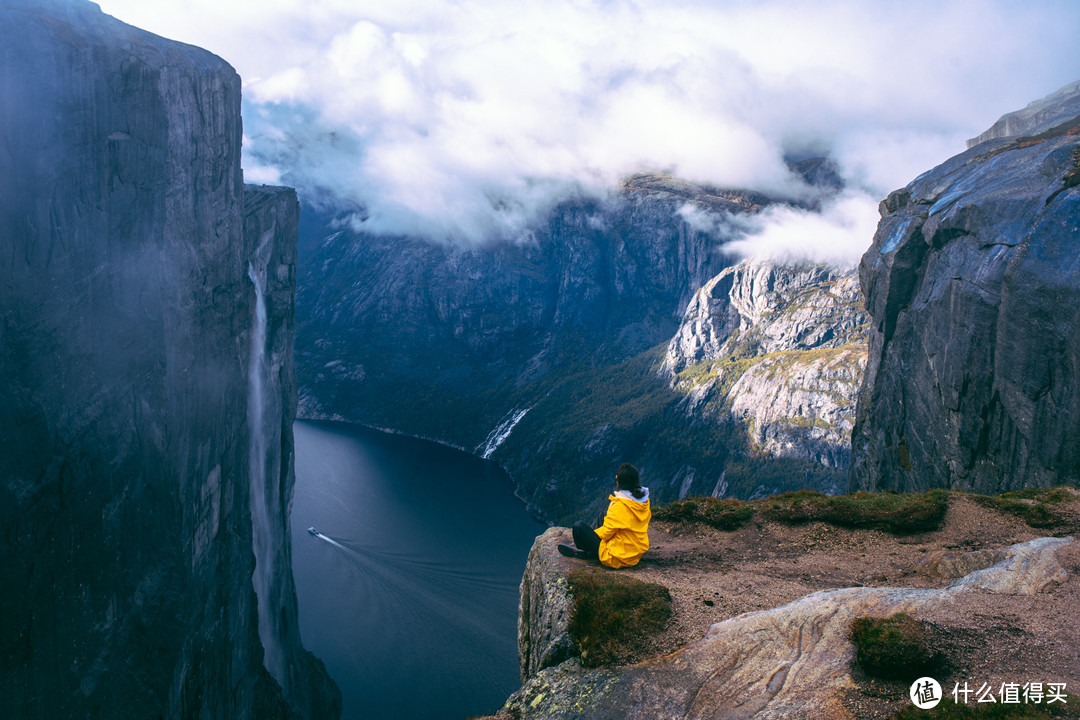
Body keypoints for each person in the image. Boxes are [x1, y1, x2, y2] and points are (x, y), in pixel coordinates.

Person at [558, 463, 650, 569]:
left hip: (617, 557)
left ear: (618, 481)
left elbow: (606, 533)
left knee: (578, 526)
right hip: (634, 553)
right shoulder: (643, 501)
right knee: (603, 515)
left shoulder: (620, 505)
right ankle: (589, 548)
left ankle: (586, 551)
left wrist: (590, 535)